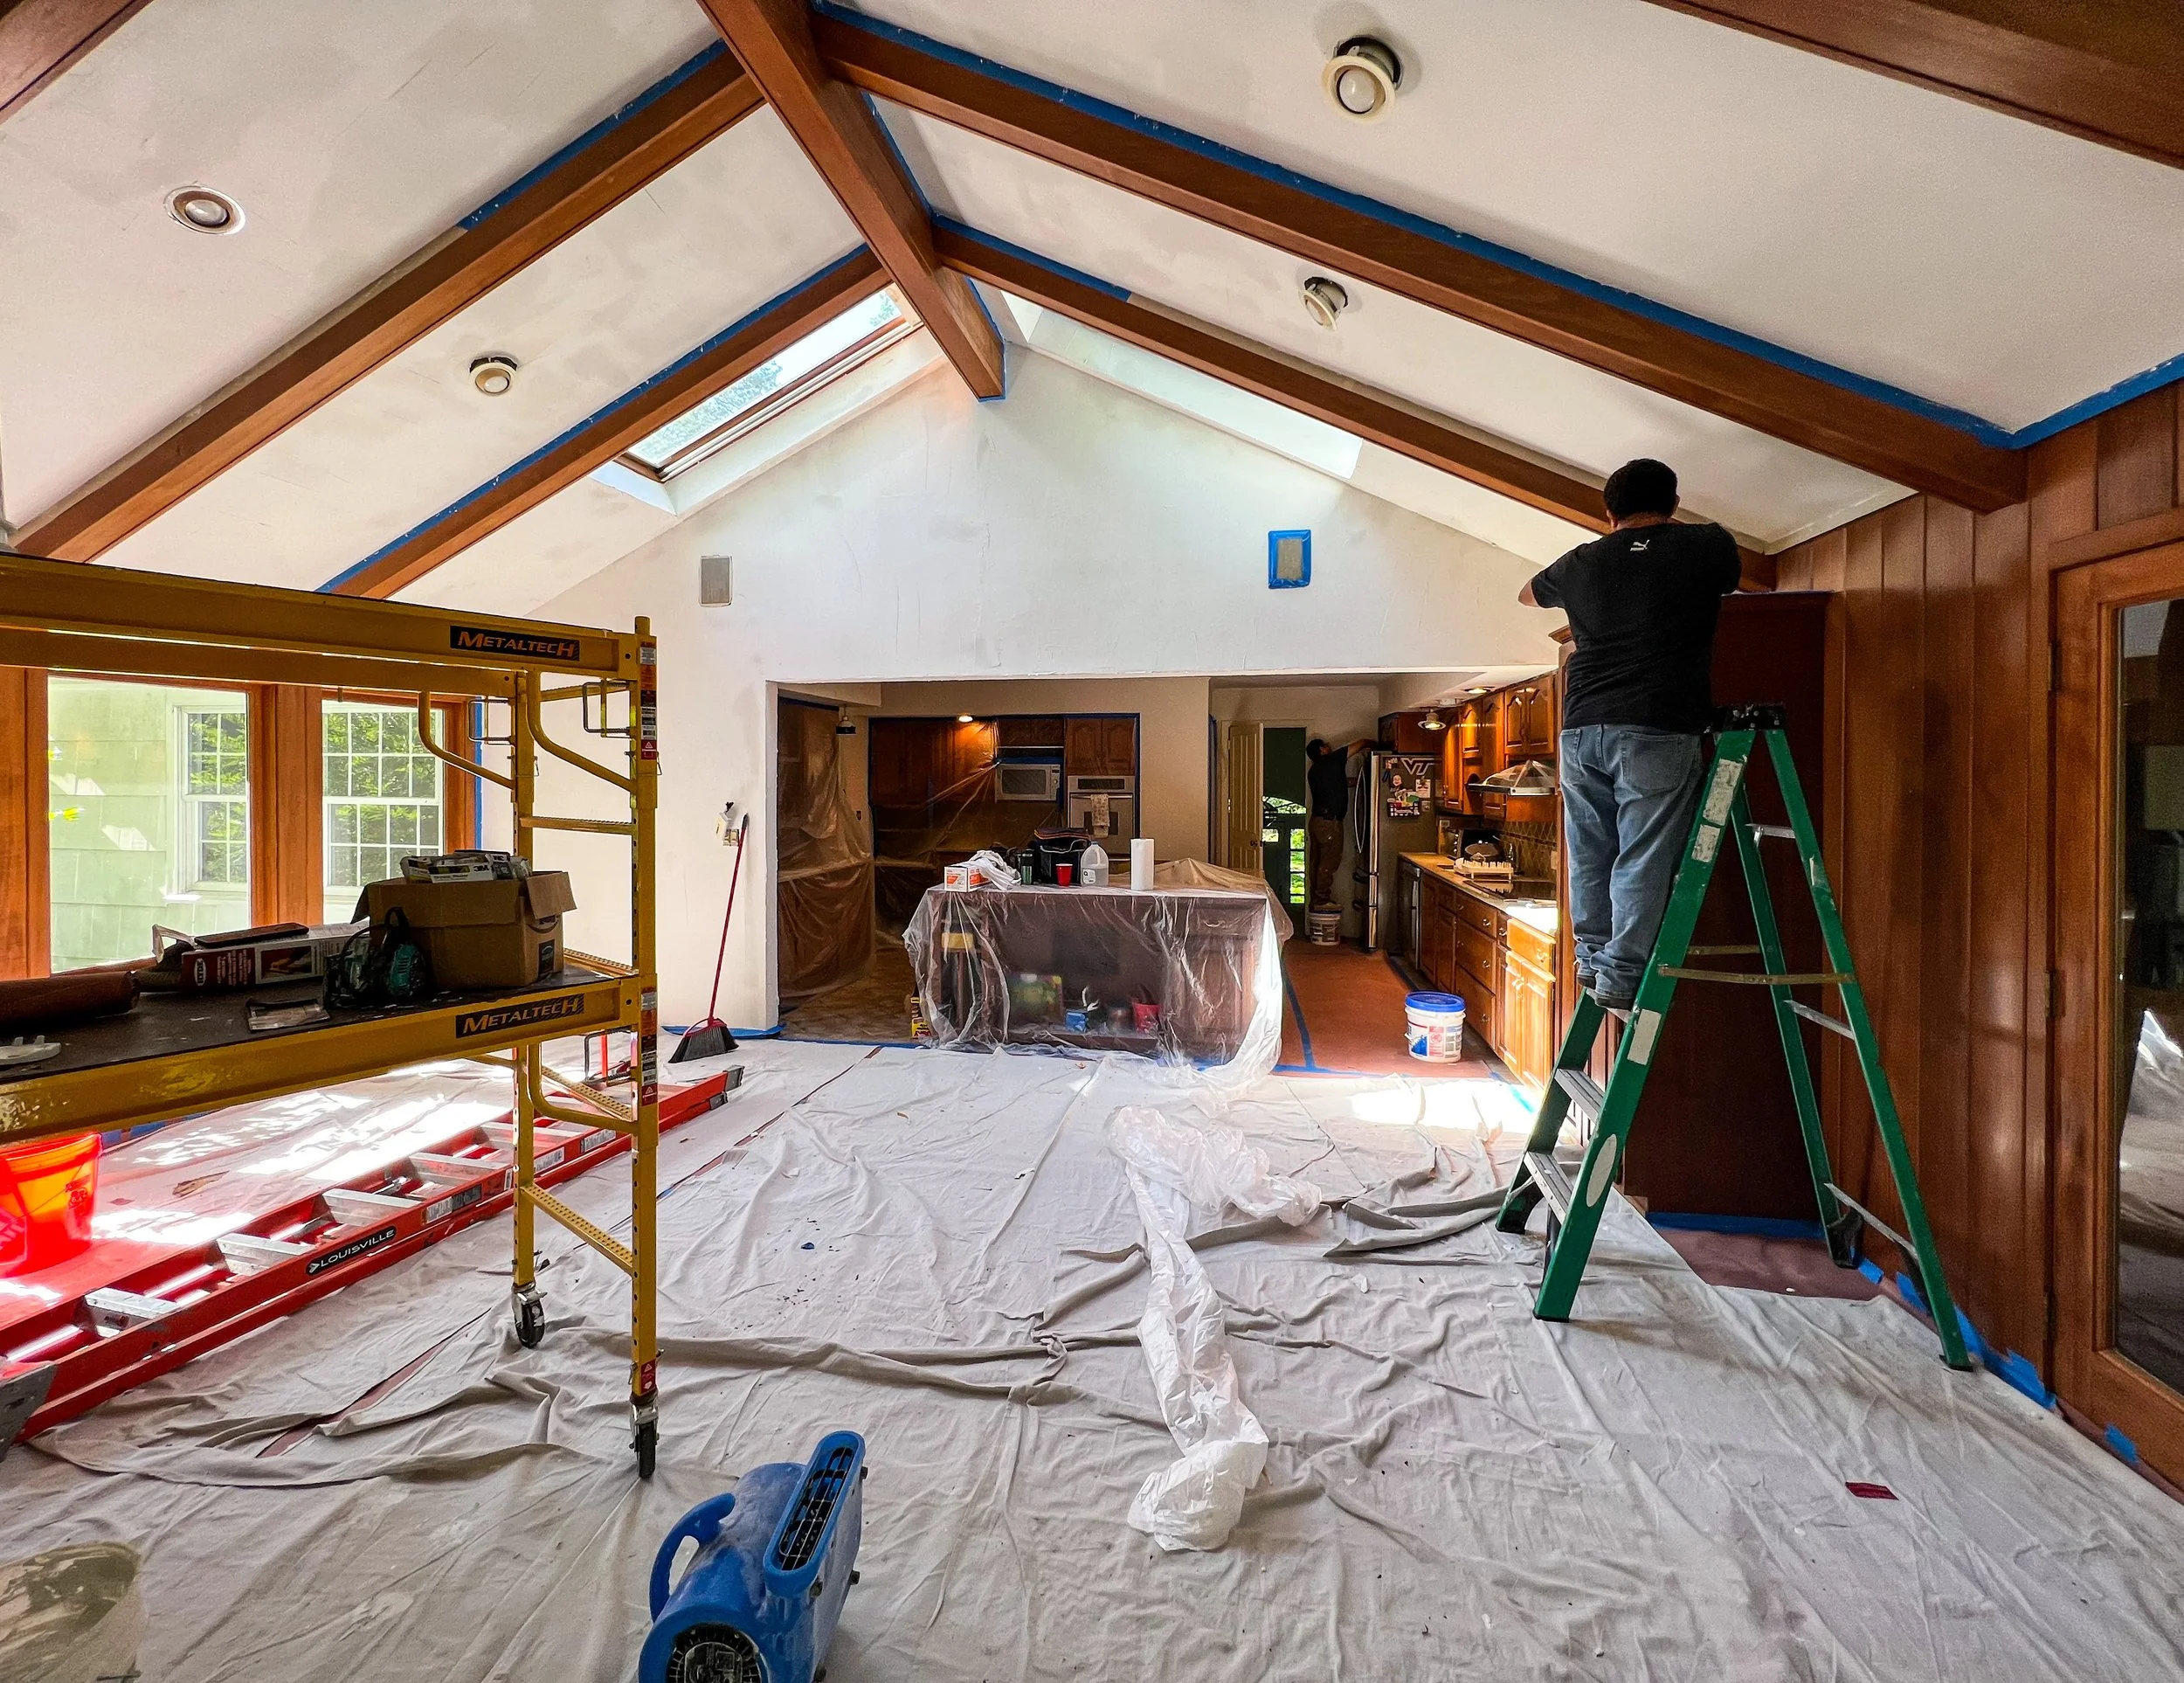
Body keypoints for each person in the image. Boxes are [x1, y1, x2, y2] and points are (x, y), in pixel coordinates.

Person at [1520, 458, 1741, 1010]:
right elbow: (1733, 580)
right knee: (1641, 853)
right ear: (1673, 502)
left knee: (1590, 850)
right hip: (1656, 723)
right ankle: (1620, 977)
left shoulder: (1582, 562)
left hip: (1581, 727)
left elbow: (1527, 594)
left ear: (1608, 511)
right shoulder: (1704, 544)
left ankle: (1592, 963)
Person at [1304, 738, 1373, 911]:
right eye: (1327, 746)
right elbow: (1361, 744)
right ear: (1322, 750)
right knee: (1328, 862)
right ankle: (1321, 901)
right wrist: (1377, 744)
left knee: (1317, 862)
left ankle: (1316, 900)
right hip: (1330, 823)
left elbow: (1338, 785)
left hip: (1317, 822)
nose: (1330, 747)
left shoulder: (1314, 771)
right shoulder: (1332, 760)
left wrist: (1359, 782)